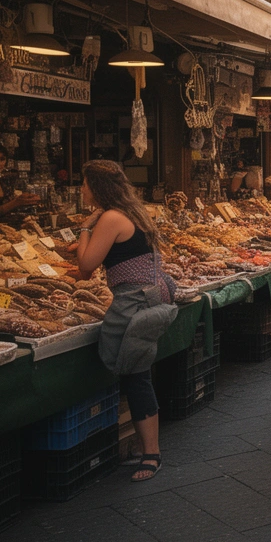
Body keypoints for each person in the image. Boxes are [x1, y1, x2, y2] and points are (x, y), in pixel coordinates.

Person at [75, 160, 179, 481]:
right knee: (139, 371)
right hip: (152, 292)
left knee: (136, 375)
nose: (82, 189)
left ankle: (151, 454)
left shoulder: (110, 218)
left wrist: (84, 229)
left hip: (134, 301)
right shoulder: (133, 212)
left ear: (97, 188)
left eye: (85, 184)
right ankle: (144, 446)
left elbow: (85, 266)